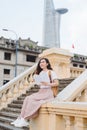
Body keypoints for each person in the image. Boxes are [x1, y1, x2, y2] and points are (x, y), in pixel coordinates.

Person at [11, 57, 58, 128]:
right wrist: (38, 82)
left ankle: (25, 118)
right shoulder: (41, 73)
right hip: (41, 91)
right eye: (40, 62)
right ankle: (20, 118)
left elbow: (57, 83)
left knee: (31, 100)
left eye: (43, 62)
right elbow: (41, 83)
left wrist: (47, 84)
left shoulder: (51, 72)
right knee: (27, 98)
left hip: (48, 92)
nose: (41, 63)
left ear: (47, 64)